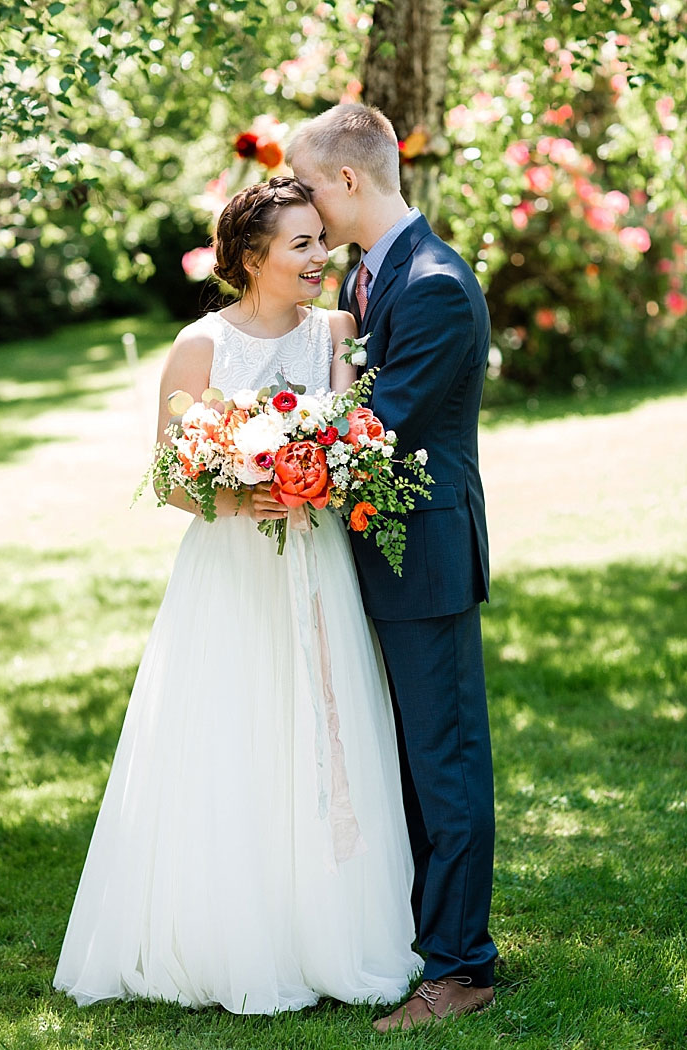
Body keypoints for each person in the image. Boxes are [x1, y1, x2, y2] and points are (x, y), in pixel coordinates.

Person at [53, 176, 422, 1013]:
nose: (320, 257)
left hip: (318, 562)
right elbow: (167, 479)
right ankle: (233, 928)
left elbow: (350, 429)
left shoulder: (338, 329)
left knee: (326, 728)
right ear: (252, 257)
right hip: (232, 570)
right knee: (235, 731)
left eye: (320, 240)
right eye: (301, 245)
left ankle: (331, 926)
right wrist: (237, 491)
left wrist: (321, 469)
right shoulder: (200, 347)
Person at [288, 105, 497, 1030]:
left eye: (307, 184)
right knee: (405, 761)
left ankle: (461, 968)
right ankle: (423, 937)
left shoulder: (436, 284)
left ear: (347, 181)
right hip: (374, 550)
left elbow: (379, 428)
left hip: (427, 560)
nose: (303, 205)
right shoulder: (379, 276)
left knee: (443, 763)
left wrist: (261, 452)